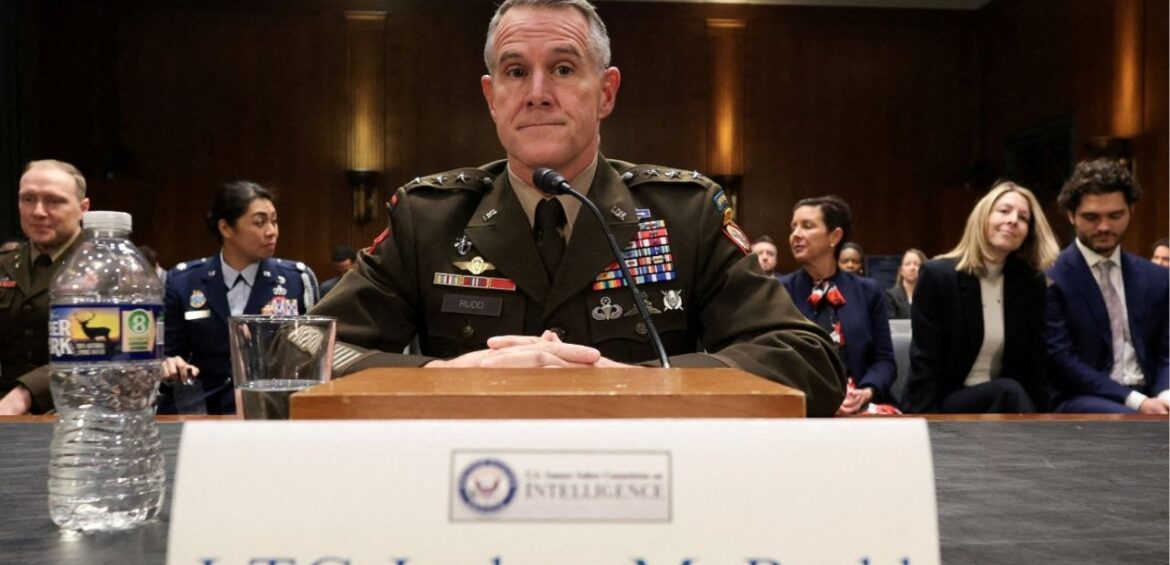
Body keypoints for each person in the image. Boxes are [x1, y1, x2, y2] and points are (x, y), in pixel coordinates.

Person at [309, 0, 847, 416]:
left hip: (641, 488)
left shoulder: (685, 214)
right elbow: (297, 348)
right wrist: (440, 376)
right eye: (515, 72)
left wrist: (644, 383)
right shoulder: (429, 218)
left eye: (563, 69)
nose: (538, 92)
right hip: (474, 487)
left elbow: (809, 358)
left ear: (606, 92)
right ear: (492, 97)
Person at [1, 160, 195, 416]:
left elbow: (110, 353)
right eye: (28, 199)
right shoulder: (6, 264)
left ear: (83, 209)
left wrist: (25, 393)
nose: (38, 211)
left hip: (82, 411)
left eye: (54, 201)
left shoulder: (111, 266)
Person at [164, 181, 319, 415]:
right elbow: (168, 353)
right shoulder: (184, 281)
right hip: (206, 411)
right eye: (259, 222)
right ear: (226, 228)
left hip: (275, 410)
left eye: (274, 221)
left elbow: (314, 356)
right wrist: (170, 364)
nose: (272, 231)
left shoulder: (297, 279)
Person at [904, 181, 1058, 413]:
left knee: (1011, 391)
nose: (1013, 220)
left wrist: (1046, 418)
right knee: (1008, 389)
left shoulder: (1029, 284)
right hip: (945, 403)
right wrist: (928, 423)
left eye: (1023, 218)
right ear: (983, 217)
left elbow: (1035, 364)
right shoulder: (938, 276)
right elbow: (925, 360)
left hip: (1005, 406)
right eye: (1004, 211)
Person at [1045, 159, 1169, 414]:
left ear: (1131, 211)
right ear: (1071, 215)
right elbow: (1062, 361)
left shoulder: (1156, 277)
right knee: (1136, 422)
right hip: (1082, 398)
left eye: (1115, 216)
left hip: (1152, 394)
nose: (1104, 227)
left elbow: (1166, 351)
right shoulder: (1053, 280)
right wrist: (1138, 402)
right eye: (1091, 217)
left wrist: (1165, 394)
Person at [779, 196, 896, 415]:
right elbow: (776, 363)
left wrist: (866, 392)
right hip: (803, 407)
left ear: (835, 236)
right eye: (793, 227)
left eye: (807, 226)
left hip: (860, 404)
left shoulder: (868, 291)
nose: (796, 234)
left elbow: (885, 361)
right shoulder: (779, 291)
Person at [885, 248, 925, 319]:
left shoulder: (929, 297)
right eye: (907, 264)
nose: (912, 268)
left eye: (917, 264)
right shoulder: (890, 296)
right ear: (901, 270)